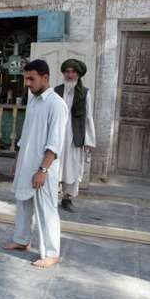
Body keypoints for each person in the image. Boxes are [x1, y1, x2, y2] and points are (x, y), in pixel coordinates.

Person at [4, 60, 68, 269]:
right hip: (26, 162)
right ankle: (22, 241)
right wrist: (17, 160)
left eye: (32, 79)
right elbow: (26, 135)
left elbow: (55, 142)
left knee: (46, 209)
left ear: (45, 78)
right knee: (23, 204)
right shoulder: (33, 100)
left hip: (44, 168)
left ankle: (51, 253)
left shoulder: (56, 104)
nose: (27, 83)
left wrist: (43, 170)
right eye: (26, 78)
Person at [54, 59, 96, 211]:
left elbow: (88, 117)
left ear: (78, 74)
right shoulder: (56, 91)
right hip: (57, 136)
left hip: (74, 136)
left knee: (71, 168)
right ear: (63, 73)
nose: (70, 75)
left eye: (73, 72)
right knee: (54, 166)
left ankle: (67, 199)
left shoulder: (85, 93)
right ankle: (51, 197)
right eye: (67, 72)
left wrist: (90, 140)